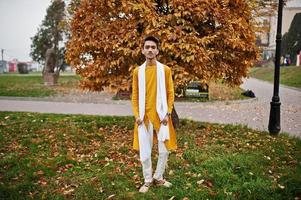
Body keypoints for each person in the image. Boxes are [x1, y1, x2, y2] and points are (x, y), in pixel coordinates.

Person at [131, 36, 177, 193]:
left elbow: (170, 93)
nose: (150, 50)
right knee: (145, 152)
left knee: (164, 150)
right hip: (143, 117)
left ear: (157, 50)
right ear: (143, 50)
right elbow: (135, 96)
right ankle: (147, 179)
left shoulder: (165, 70)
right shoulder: (138, 72)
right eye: (147, 47)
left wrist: (168, 113)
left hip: (162, 116)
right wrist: (137, 115)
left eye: (153, 47)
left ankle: (158, 177)